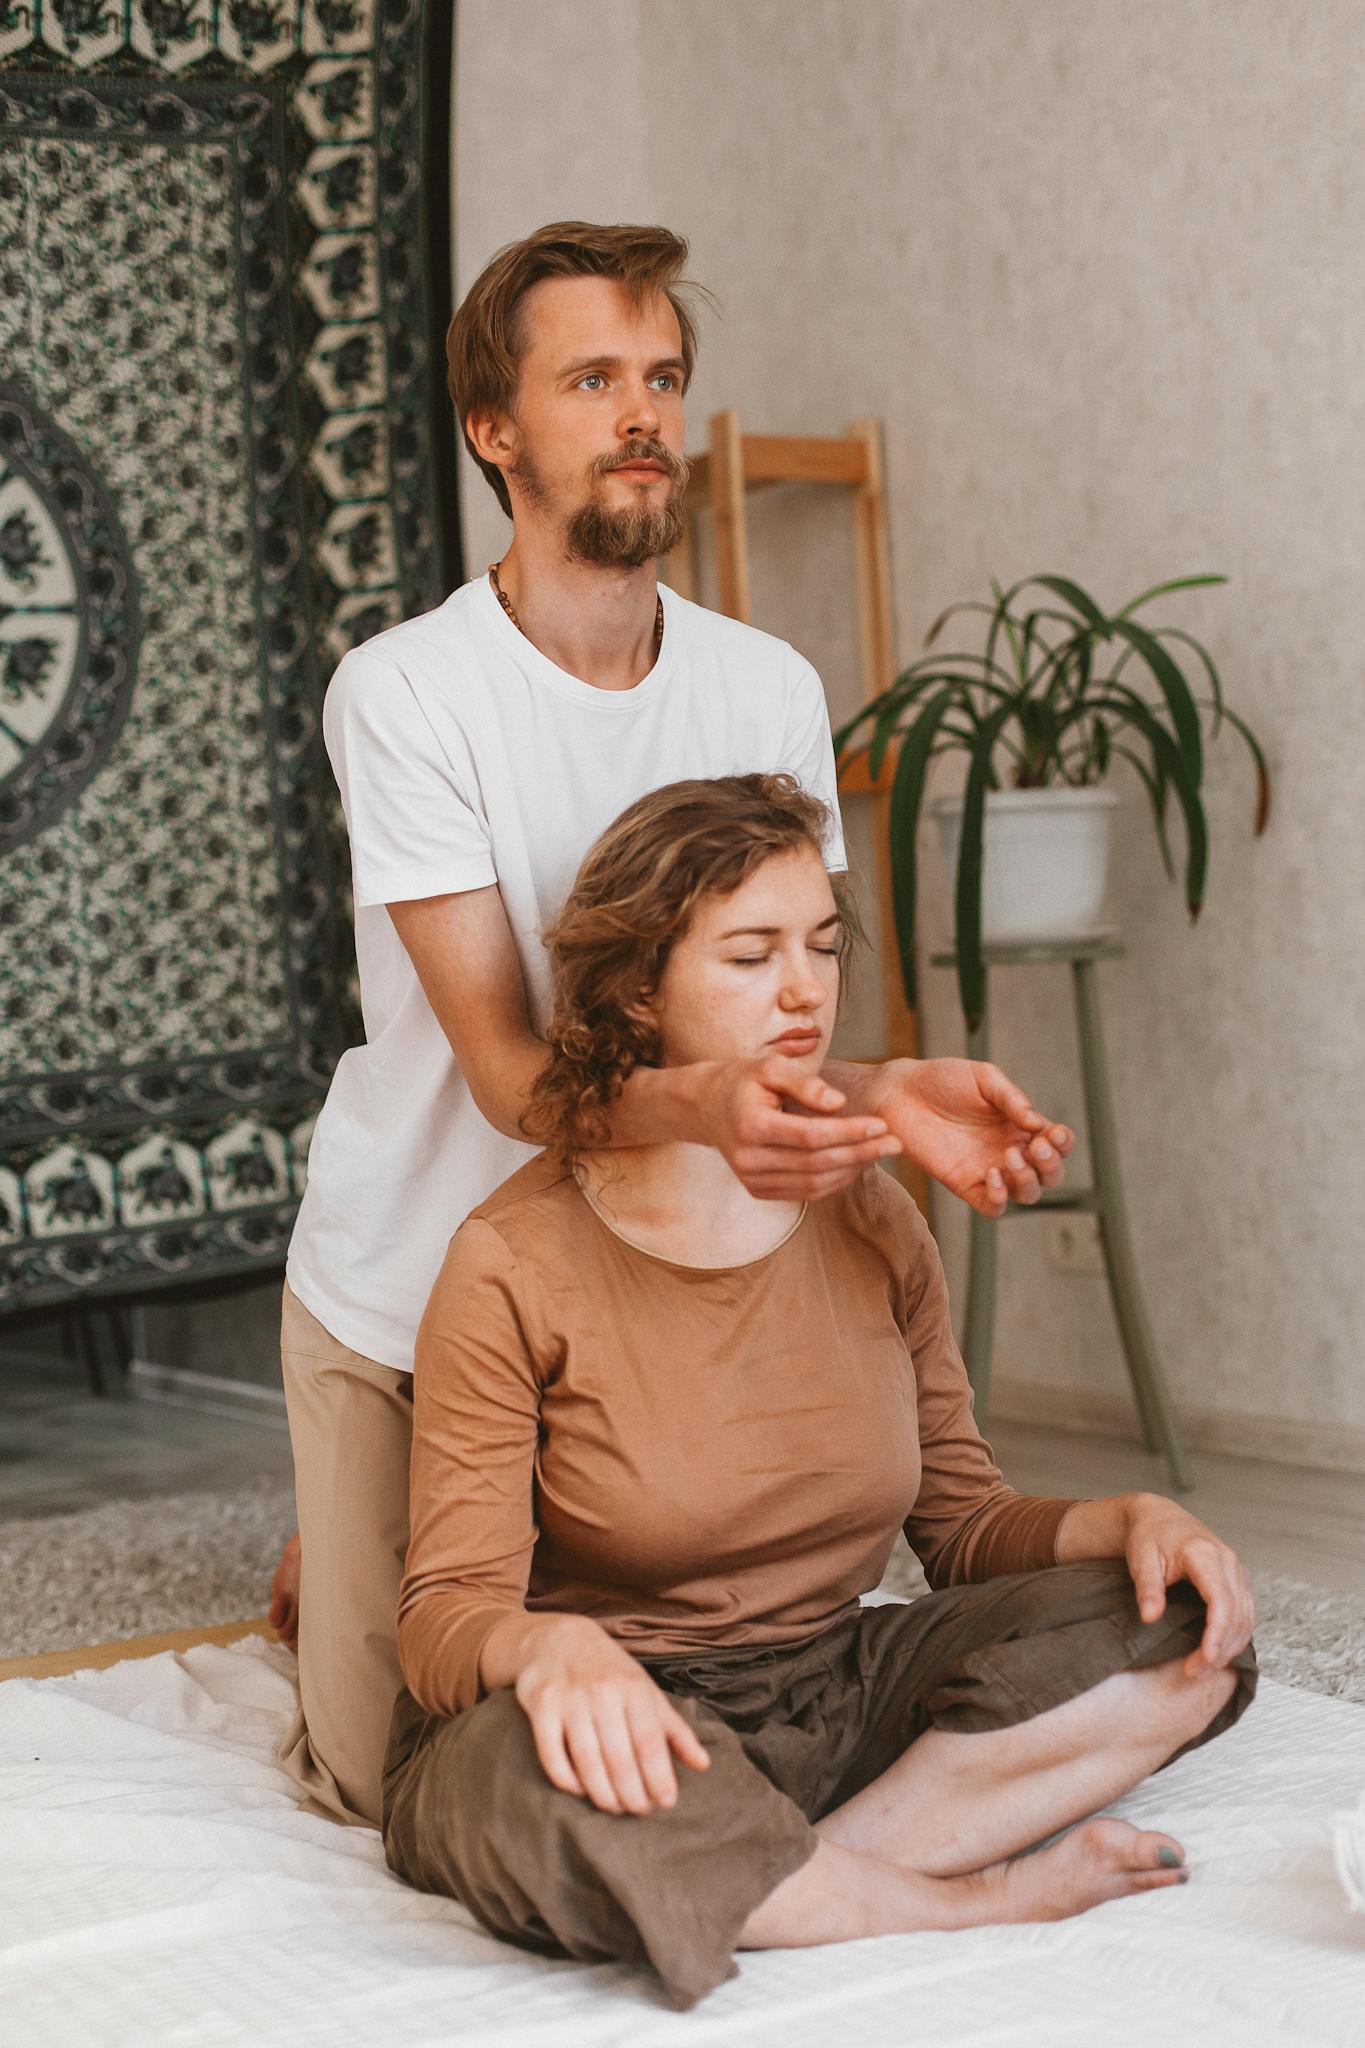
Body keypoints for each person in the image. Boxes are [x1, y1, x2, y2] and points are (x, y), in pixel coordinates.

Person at [272, 221, 1078, 1827]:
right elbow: (513, 1076)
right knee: (387, 1774)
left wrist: (883, 1088)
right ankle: (332, 1567)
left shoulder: (763, 680)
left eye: (663, 379)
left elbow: (762, 1011)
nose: (643, 414)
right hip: (423, 1264)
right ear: (495, 430)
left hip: (645, 1258)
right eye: (591, 379)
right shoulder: (407, 692)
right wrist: (726, 1110)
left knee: (675, 1636)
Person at [381, 774, 1257, 2011]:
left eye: (823, 946)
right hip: (622, 1707)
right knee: (527, 1772)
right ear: (640, 989)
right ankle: (956, 1892)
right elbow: (440, 1619)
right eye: (751, 954)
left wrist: (1128, 1520)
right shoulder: (509, 1262)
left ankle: (777, 1874)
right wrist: (549, 1647)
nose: (806, 988)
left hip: (832, 1682)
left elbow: (960, 1530)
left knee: (1187, 1633)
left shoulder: (870, 1212)